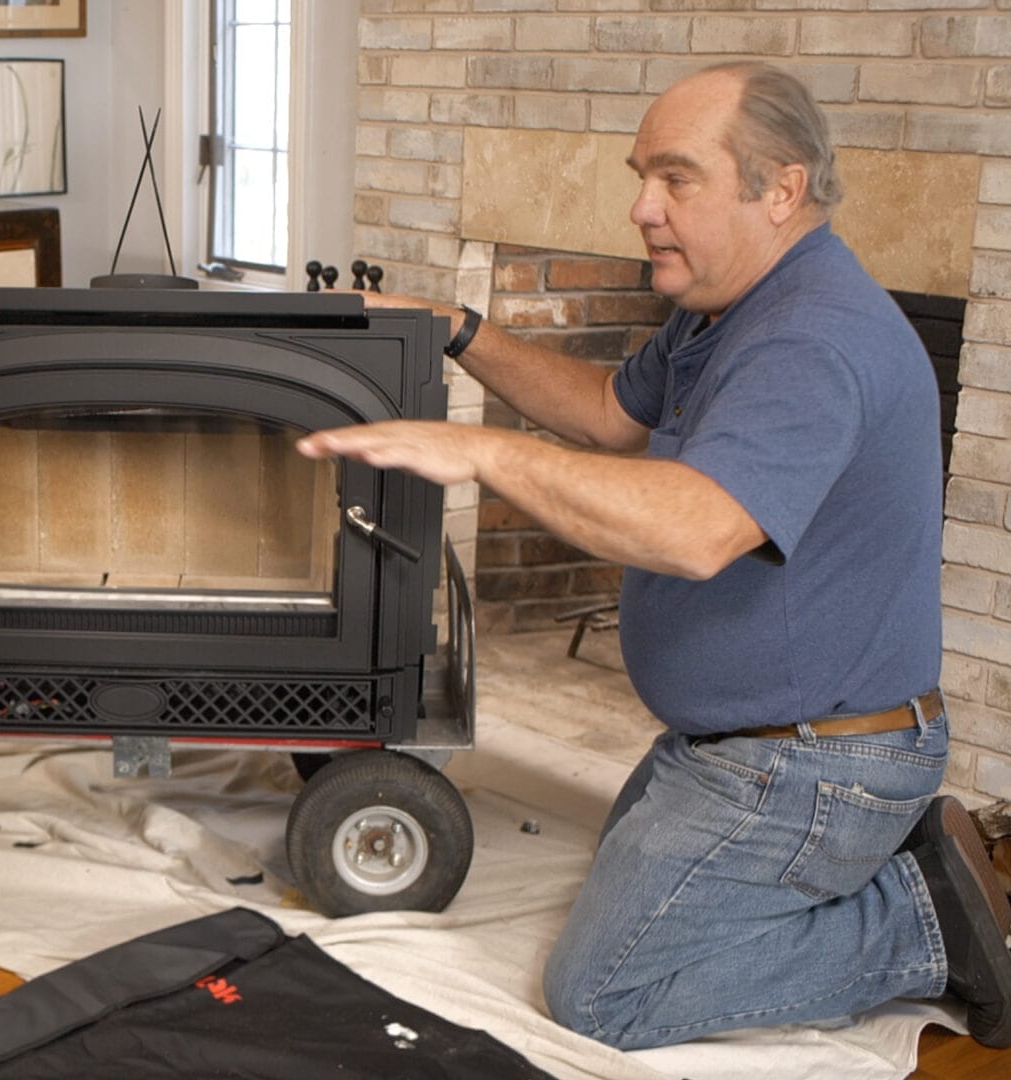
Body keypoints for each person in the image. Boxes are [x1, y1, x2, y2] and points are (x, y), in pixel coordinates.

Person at [299, 62, 1011, 1050]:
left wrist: (479, 451)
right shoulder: (724, 310)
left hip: (814, 765)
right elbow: (606, 415)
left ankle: (921, 916)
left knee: (606, 991)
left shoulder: (811, 342)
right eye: (643, 175)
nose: (641, 207)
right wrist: (456, 331)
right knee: (624, 892)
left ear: (779, 188)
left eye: (676, 179)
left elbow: (695, 527)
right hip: (741, 741)